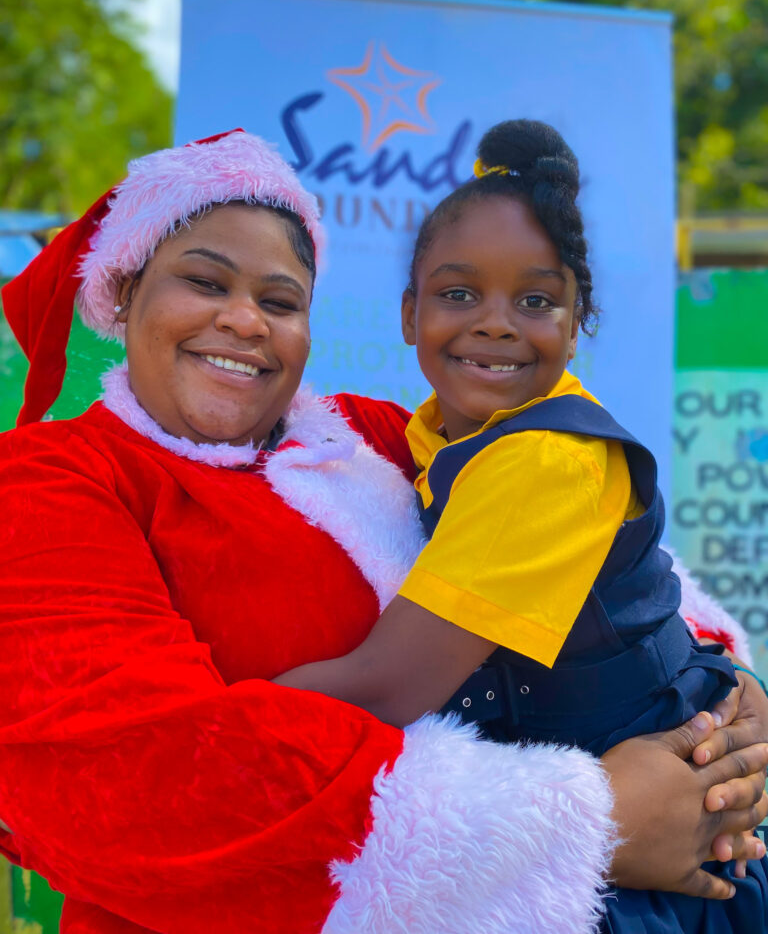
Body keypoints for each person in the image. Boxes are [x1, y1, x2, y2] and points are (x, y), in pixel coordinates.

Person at [0, 129, 766, 934]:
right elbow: (133, 783)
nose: (243, 321)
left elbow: (592, 563)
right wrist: (589, 822)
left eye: (280, 300)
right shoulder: (50, 482)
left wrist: (725, 703)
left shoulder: (373, 438)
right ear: (124, 292)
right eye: (203, 281)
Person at [273, 119, 768, 931]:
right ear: (409, 313)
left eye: (535, 300)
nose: (496, 322)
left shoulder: (546, 460)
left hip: (653, 869)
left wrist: (189, 725)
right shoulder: (435, 438)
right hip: (585, 826)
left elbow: (390, 686)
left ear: (577, 323)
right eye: (459, 293)